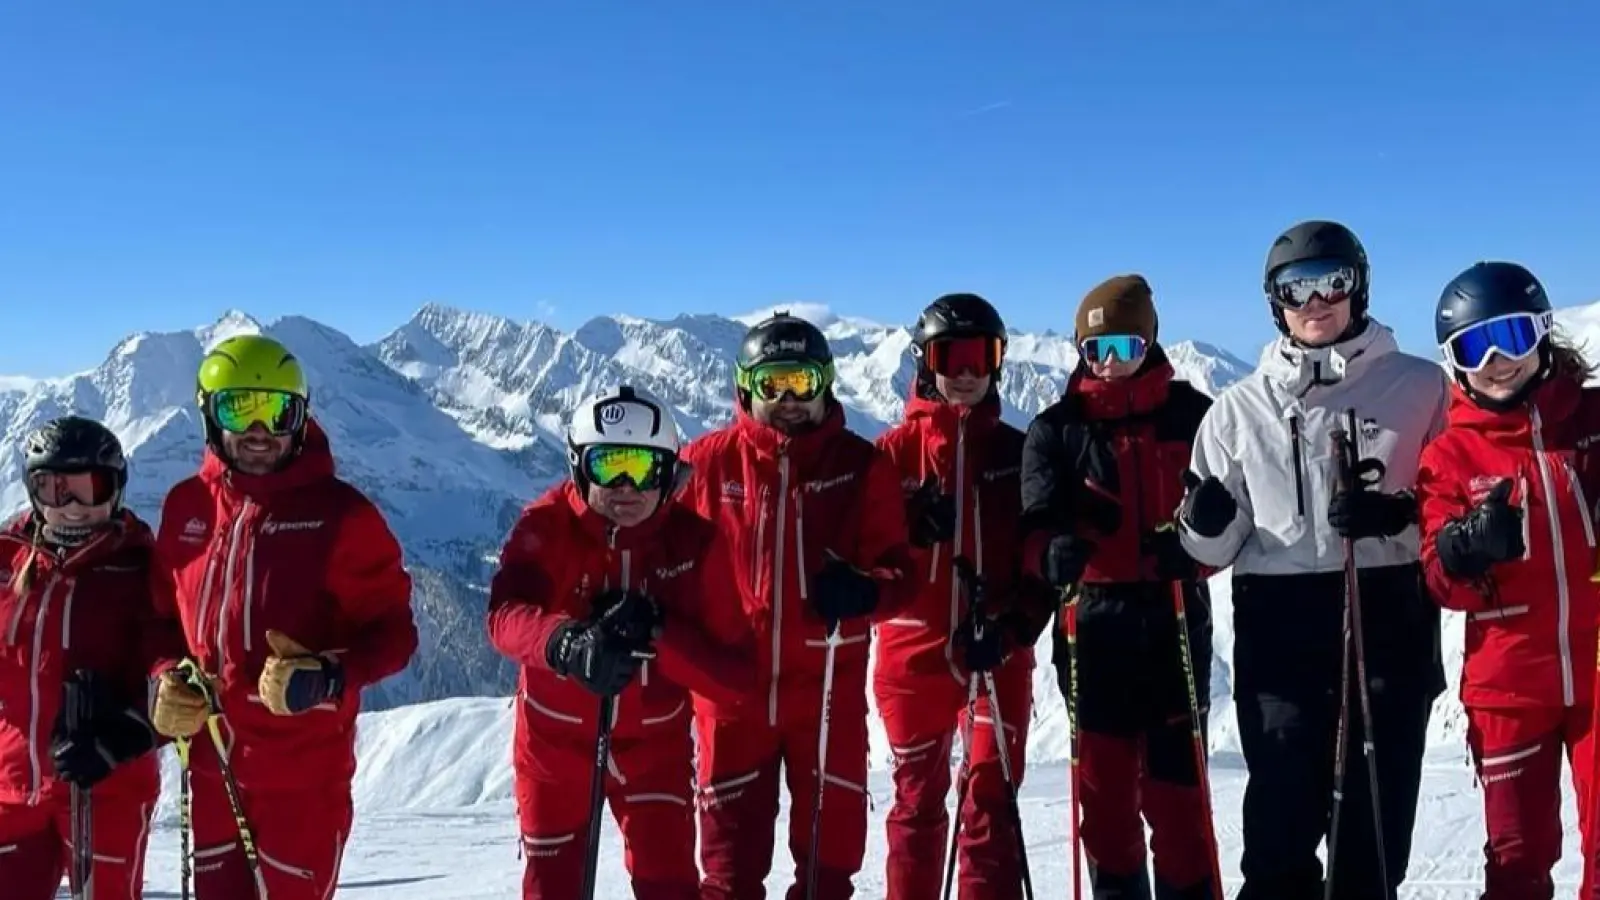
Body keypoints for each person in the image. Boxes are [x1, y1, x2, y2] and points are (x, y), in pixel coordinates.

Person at [1178, 220, 1449, 900]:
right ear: (1276, 303)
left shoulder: (1423, 389)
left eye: (1334, 280)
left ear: (1359, 285)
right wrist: (1205, 525)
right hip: (1281, 635)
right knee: (1278, 838)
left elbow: (1460, 502)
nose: (1317, 299)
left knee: (1374, 842)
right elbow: (1210, 552)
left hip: (1389, 626)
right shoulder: (1237, 412)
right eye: (1296, 287)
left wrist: (1401, 516)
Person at [147, 333, 419, 900]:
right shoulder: (185, 507)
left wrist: (328, 674)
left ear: (300, 418)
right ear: (207, 414)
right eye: (237, 409)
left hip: (302, 780)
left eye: (276, 411)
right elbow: (159, 622)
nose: (258, 431)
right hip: (211, 768)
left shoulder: (341, 517)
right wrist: (162, 680)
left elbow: (395, 633)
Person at [678, 311, 916, 900]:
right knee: (729, 874)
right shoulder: (705, 464)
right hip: (732, 701)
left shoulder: (862, 467)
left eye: (803, 382)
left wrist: (867, 590)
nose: (788, 399)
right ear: (744, 387)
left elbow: (901, 573)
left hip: (827, 697)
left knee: (827, 874)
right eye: (772, 383)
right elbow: (660, 557)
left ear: (827, 384)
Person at [486, 385, 754, 900]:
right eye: (610, 465)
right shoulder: (547, 526)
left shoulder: (694, 544)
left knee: (669, 885)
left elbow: (735, 677)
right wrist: (566, 643)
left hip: (654, 747)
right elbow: (504, 616)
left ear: (669, 472)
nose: (627, 486)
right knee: (552, 887)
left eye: (645, 467)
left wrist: (660, 632)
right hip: (555, 745)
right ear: (579, 466)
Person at [1019, 275, 1218, 898]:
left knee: (1181, 801)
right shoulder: (1057, 430)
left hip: (1174, 615)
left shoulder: (1192, 415)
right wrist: (1052, 556)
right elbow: (1033, 525)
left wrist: (1193, 550)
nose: (1110, 365)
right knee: (1105, 807)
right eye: (1096, 350)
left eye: (1126, 348)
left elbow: (1231, 519)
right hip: (1094, 624)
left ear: (1152, 343)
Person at [1416, 261, 1600, 900]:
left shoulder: (1590, 420)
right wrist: (1465, 550)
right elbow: (1438, 577)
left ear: (1543, 334)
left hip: (1598, 670)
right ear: (1455, 362)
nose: (1498, 359)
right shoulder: (1450, 454)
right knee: (1517, 861)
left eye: (1514, 337)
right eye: (1475, 346)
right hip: (1509, 687)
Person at [874, 293, 1053, 899]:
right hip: (912, 653)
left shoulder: (1016, 450)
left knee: (990, 801)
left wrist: (1016, 626)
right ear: (927, 363)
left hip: (994, 649)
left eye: (982, 355)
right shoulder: (892, 455)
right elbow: (855, 547)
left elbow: (1041, 551)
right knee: (918, 804)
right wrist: (903, 523)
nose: (968, 372)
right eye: (952, 356)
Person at [0, 416, 180, 900]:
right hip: (15, 784)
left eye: (89, 489)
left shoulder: (140, 566)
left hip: (108, 784)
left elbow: (174, 670)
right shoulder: (7, 559)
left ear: (116, 490)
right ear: (33, 492)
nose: (74, 507)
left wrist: (129, 730)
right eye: (56, 489)